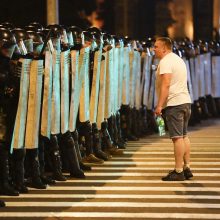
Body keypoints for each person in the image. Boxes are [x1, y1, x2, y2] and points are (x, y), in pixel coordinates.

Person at [154, 37, 193, 181]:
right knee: (184, 136)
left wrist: (159, 105)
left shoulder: (166, 61)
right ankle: (186, 167)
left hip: (174, 104)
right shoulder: (178, 59)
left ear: (164, 48)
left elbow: (166, 83)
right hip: (185, 101)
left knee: (177, 138)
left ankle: (178, 171)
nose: (154, 49)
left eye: (156, 46)